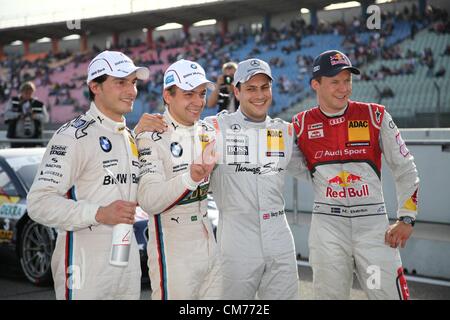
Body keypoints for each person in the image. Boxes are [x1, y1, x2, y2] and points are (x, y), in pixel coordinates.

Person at [292, 50, 419, 300]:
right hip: (328, 228)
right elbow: (288, 165)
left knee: (387, 295)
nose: (344, 88)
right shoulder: (300, 124)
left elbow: (405, 167)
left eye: (347, 80)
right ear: (316, 85)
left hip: (372, 228)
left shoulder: (375, 115)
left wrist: (407, 217)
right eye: (335, 82)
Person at [27, 50, 150, 300]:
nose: (131, 90)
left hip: (126, 262)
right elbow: (38, 203)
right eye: (120, 82)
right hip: (84, 265)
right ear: (95, 86)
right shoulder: (72, 136)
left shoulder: (129, 136)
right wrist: (99, 213)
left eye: (133, 82)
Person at [204, 59, 306, 299]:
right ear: (237, 91)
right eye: (251, 88)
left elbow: (315, 171)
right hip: (237, 239)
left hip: (279, 235)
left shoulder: (285, 131)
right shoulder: (215, 127)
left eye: (264, 87)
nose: (259, 95)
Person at [136, 59, 221, 300]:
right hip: (173, 249)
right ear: (168, 95)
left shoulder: (207, 132)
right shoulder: (150, 136)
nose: (198, 102)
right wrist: (191, 177)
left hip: (209, 243)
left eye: (202, 93)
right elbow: (149, 200)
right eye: (189, 94)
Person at [4, 81, 49, 148]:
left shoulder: (39, 104)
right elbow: (6, 114)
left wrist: (35, 116)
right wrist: (18, 115)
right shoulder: (13, 101)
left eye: (30, 92)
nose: (28, 94)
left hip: (33, 138)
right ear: (21, 91)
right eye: (26, 92)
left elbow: (46, 118)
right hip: (16, 138)